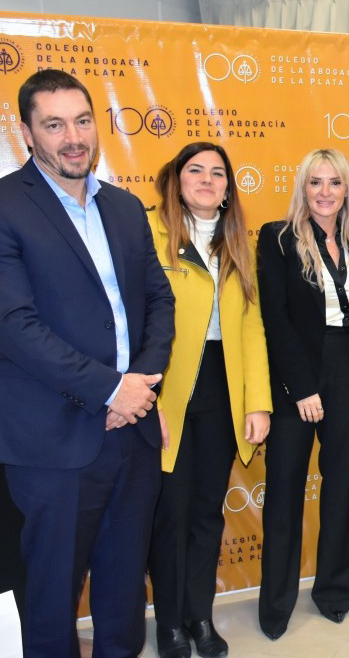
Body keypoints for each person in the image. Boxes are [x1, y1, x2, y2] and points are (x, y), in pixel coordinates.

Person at [0, 69, 175, 658]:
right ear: (26, 133)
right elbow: (15, 327)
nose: (73, 137)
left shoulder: (122, 205)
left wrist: (137, 389)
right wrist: (113, 391)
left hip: (132, 431)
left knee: (121, 590)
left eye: (83, 121)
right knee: (51, 597)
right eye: (54, 124)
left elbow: (159, 301)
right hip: (51, 438)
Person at [146, 142, 271, 658]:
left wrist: (257, 402)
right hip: (169, 387)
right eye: (195, 170)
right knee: (170, 513)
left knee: (205, 514)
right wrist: (146, 401)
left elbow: (252, 325)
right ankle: (170, 623)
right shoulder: (148, 233)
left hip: (222, 388)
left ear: (227, 189)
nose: (206, 179)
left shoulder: (239, 242)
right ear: (176, 180)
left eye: (217, 173)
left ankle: (201, 617)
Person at [256, 149, 349, 636]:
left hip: (348, 368)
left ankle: (335, 590)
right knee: (284, 488)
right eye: (315, 182)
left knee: (339, 483)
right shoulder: (277, 237)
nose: (325, 192)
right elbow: (276, 318)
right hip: (297, 375)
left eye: (335, 183)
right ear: (302, 189)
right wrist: (301, 387)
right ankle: (276, 604)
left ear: (347, 189)